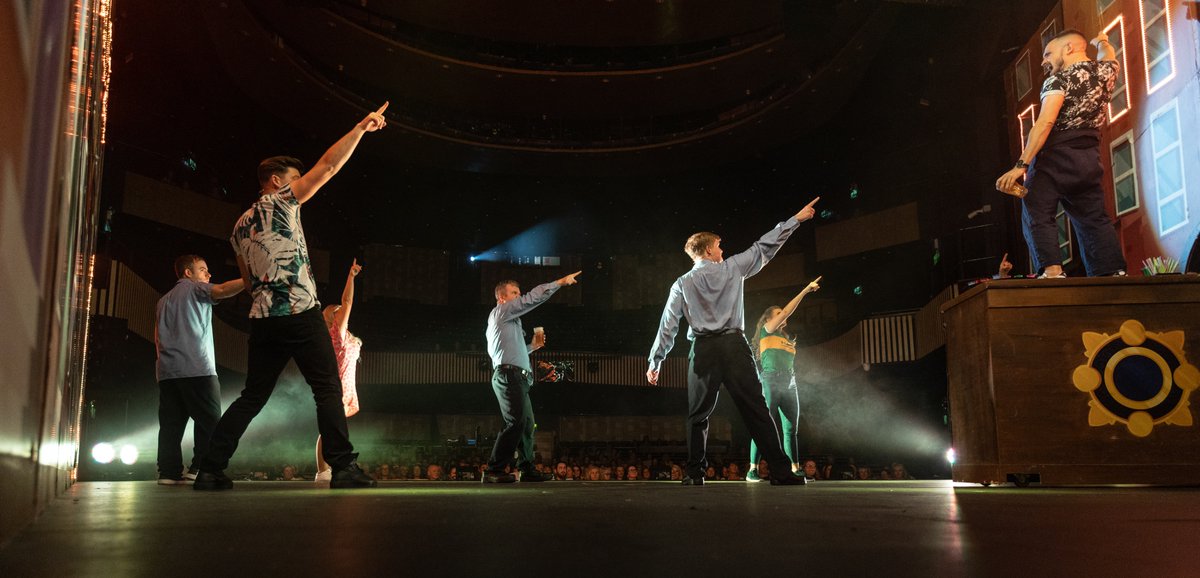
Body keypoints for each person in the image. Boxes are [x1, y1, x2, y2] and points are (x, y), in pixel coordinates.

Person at [193, 104, 389, 490]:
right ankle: (343, 468)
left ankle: (210, 468)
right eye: (293, 179)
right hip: (298, 311)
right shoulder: (280, 202)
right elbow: (329, 166)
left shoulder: (238, 227)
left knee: (252, 396)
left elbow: (249, 283)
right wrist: (361, 129)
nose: (298, 184)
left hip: (263, 318)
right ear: (272, 180)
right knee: (328, 388)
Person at [647, 199, 820, 486]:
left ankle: (694, 473)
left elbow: (668, 325)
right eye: (719, 246)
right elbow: (765, 246)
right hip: (733, 346)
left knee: (697, 415)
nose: (723, 250)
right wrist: (796, 219)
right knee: (756, 409)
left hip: (703, 350)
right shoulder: (732, 268)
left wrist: (656, 360)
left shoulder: (681, 283)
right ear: (709, 250)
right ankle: (780, 471)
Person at [995, 29, 1126, 278]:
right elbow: (1108, 54)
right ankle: (1111, 272)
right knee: (1093, 216)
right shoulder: (1107, 72)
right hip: (1088, 158)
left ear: (1068, 49)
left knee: (1035, 208)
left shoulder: (1058, 81)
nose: (1044, 60)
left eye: (1048, 53)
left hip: (1055, 156)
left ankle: (1052, 270)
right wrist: (1102, 41)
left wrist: (1021, 165)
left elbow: (1045, 122)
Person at [482, 271, 582, 483]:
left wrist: (532, 347)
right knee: (515, 423)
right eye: (514, 293)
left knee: (527, 425)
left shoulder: (510, 322)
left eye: (519, 292)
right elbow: (532, 298)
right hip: (509, 376)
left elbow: (509, 353)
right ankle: (493, 469)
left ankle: (526, 469)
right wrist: (559, 283)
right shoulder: (501, 312)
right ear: (502, 298)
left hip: (515, 376)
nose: (519, 296)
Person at [154, 255, 244, 485]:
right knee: (210, 422)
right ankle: (201, 468)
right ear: (188, 273)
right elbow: (223, 290)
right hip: (197, 369)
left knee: (171, 425)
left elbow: (157, 339)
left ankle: (168, 472)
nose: (208, 275)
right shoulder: (195, 290)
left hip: (167, 372)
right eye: (203, 270)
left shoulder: (163, 301)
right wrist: (250, 280)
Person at [745, 276, 821, 483]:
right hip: (770, 381)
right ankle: (752, 469)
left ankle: (794, 468)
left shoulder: (787, 339)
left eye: (782, 313)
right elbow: (788, 311)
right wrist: (805, 290)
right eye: (778, 313)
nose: (783, 315)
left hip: (790, 382)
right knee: (764, 426)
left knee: (791, 429)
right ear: (769, 319)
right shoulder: (766, 330)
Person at [314, 259, 364, 483]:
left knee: (333, 430)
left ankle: (332, 468)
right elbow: (348, 301)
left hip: (344, 386)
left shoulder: (344, 336)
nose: (340, 310)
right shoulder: (336, 334)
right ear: (331, 319)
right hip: (337, 387)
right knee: (330, 430)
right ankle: (324, 471)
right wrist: (351, 276)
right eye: (335, 311)